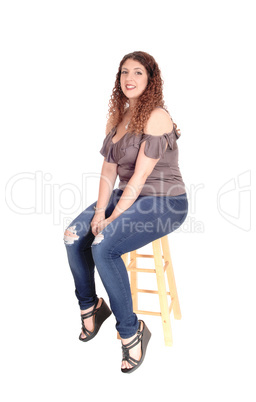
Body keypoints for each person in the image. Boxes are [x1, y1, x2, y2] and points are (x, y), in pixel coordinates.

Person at [64, 51, 188, 373]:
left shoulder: (157, 115)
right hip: (126, 196)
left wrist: (110, 219)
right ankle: (91, 308)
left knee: (103, 245)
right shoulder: (117, 119)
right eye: (123, 73)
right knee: (73, 236)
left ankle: (132, 333)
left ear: (150, 80)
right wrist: (97, 213)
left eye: (137, 73)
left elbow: (141, 177)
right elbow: (108, 173)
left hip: (164, 201)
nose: (129, 79)